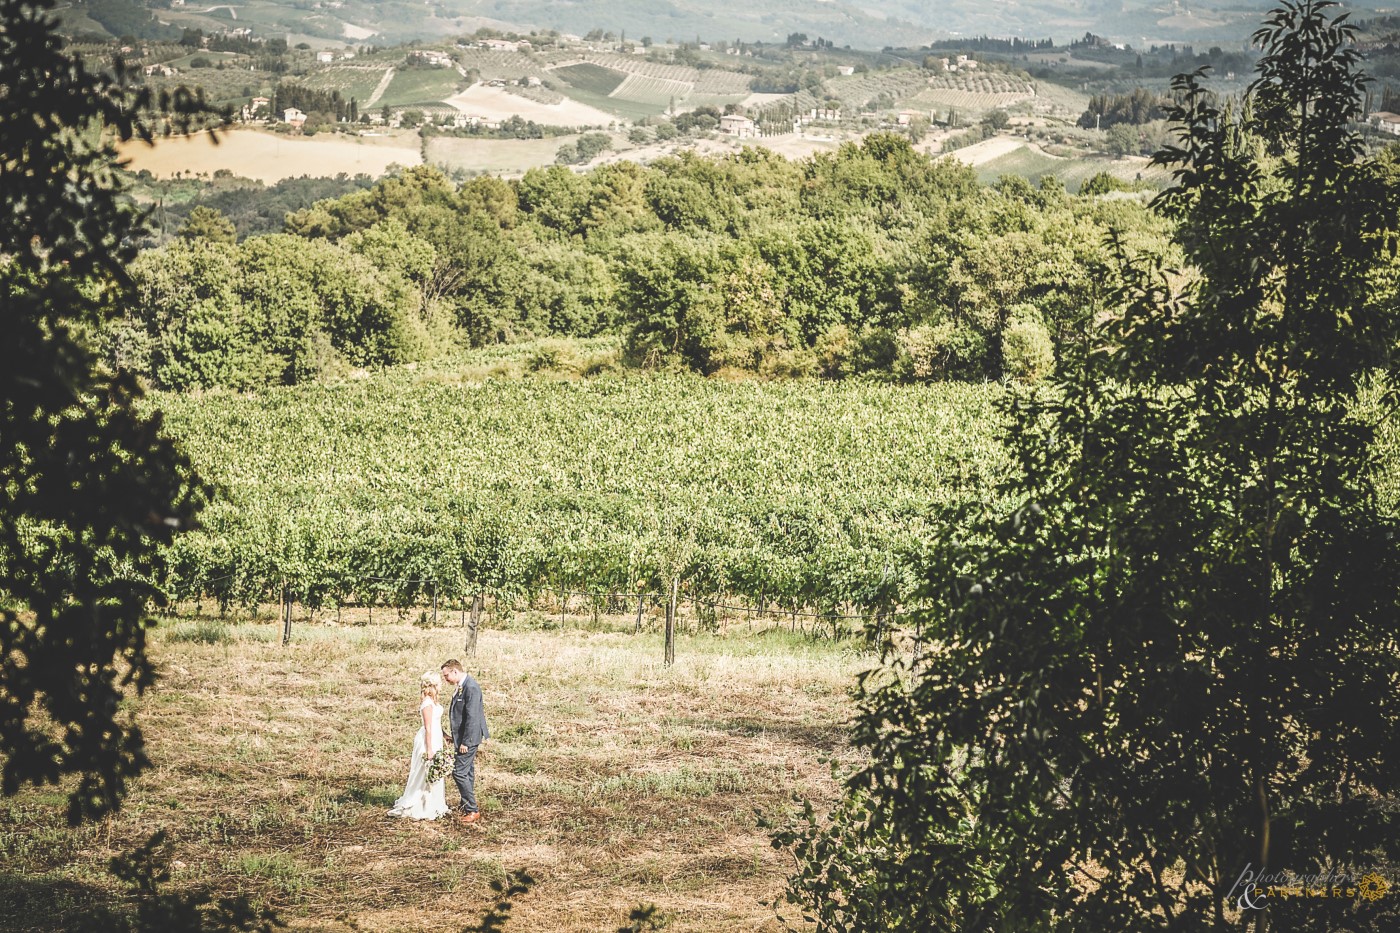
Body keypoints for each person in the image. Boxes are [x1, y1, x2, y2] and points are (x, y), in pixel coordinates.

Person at [386, 672, 449, 821]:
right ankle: (421, 805)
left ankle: (434, 803)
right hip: (429, 739)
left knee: (434, 772)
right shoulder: (427, 703)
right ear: (433, 685)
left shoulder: (433, 701)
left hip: (436, 737)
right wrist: (429, 749)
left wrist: (445, 736)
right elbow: (428, 727)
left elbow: (436, 723)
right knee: (424, 772)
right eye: (439, 682)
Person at [441, 659, 489, 825]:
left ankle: (472, 809)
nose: (445, 679)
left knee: (459, 772)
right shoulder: (462, 686)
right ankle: (465, 803)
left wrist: (465, 742)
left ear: (455, 671)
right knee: (467, 771)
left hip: (469, 738)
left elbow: (473, 718)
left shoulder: (471, 688)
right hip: (462, 737)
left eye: (446, 675)